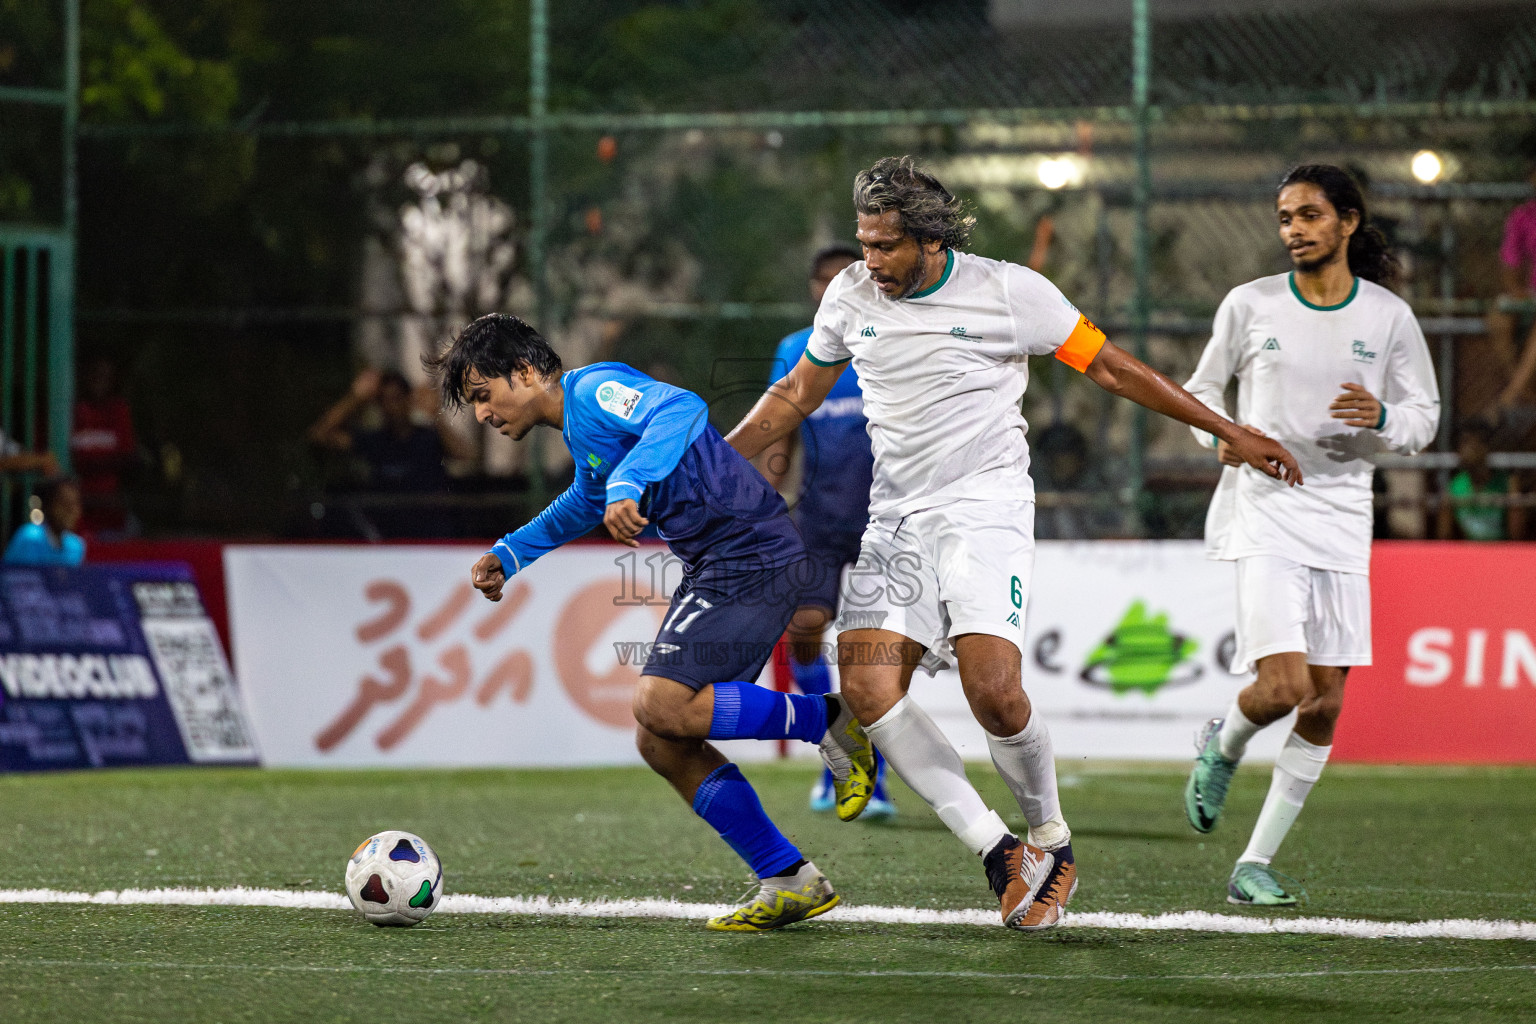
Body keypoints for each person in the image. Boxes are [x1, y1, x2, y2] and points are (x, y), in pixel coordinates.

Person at [725, 156, 1301, 931]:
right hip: (896, 516)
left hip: (985, 509)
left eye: (886, 246)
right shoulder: (851, 297)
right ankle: (1001, 853)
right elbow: (797, 392)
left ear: (930, 240)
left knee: (993, 693)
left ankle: (1051, 836)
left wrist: (1228, 429)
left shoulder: (1007, 291)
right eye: (864, 244)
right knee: (864, 686)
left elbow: (1112, 369)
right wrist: (710, 461)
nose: (872, 262)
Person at [429, 313, 878, 932]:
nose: (481, 413)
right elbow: (581, 503)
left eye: (484, 394)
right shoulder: (582, 433)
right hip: (721, 566)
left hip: (752, 554)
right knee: (661, 739)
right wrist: (510, 553)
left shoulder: (591, 391)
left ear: (527, 372)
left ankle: (826, 719)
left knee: (663, 704)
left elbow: (682, 410)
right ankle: (787, 877)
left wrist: (629, 481)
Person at [1181, 164, 1440, 906]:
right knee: (1284, 686)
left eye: (1309, 215)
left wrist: (1386, 419)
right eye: (1285, 217)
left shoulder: (1387, 316)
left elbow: (1425, 417)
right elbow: (1201, 392)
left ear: (1348, 223)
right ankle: (1223, 745)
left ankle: (1252, 865)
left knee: (1324, 705)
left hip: (1343, 516)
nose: (1294, 229)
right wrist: (1221, 438)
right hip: (1263, 510)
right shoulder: (1250, 304)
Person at [758, 243, 896, 819]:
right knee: (805, 629)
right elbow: (779, 430)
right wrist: (766, 497)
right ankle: (833, 757)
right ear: (815, 287)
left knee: (872, 654)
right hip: (815, 520)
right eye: (821, 279)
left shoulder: (888, 343)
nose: (828, 288)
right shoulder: (795, 351)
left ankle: (875, 778)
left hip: (884, 522)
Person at [1487, 146, 1536, 416]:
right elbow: (1510, 262)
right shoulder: (1523, 215)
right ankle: (1521, 390)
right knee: (1498, 317)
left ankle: (1508, 400)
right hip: (1532, 293)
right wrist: (1517, 291)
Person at [71, 353, 139, 536]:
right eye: (94, 374)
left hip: (110, 512)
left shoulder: (118, 411)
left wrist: (87, 464)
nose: (99, 381)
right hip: (72, 514)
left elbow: (128, 459)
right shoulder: (65, 410)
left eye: (106, 376)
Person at [1437, 418, 1523, 541]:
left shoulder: (1505, 483)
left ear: (1484, 447)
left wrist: (1514, 493)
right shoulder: (1455, 486)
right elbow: (1444, 538)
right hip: (1471, 555)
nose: (1462, 450)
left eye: (1467, 442)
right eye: (1461, 444)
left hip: (1501, 553)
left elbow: (1517, 538)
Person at [4, 476, 86, 566]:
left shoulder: (76, 546)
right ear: (48, 506)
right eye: (63, 503)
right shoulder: (29, 538)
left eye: (74, 504)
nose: (71, 510)